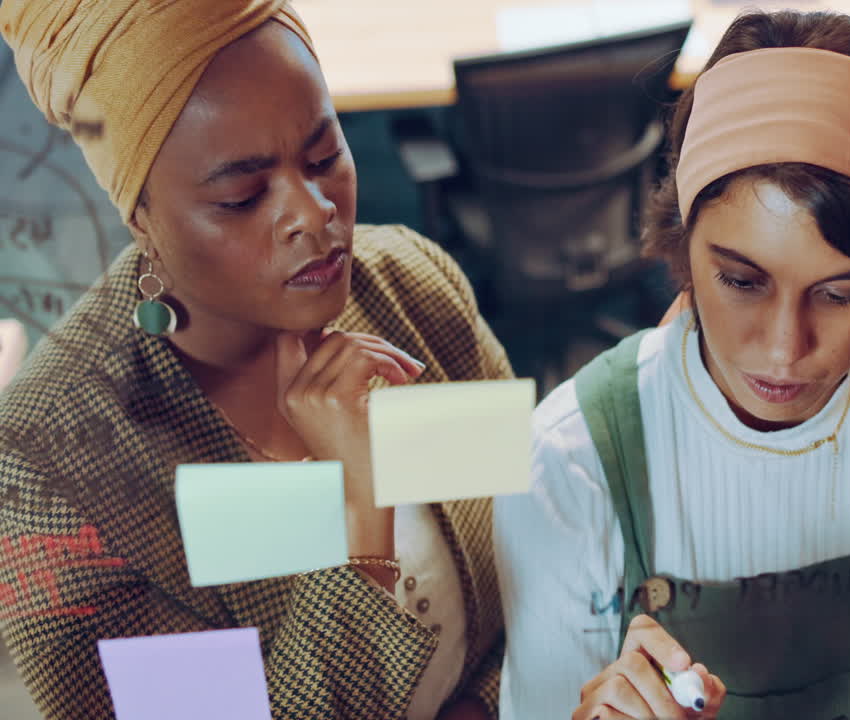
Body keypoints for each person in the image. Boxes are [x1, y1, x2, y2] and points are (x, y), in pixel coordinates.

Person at [495, 10, 850, 720]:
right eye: (742, 281)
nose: (785, 350)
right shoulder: (568, 466)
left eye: (842, 293)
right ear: (683, 234)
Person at [0, 2, 508, 718]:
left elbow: (528, 562)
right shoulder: (59, 464)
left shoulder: (414, 290)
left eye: (325, 156)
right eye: (241, 197)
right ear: (141, 217)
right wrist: (364, 518)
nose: (314, 212)